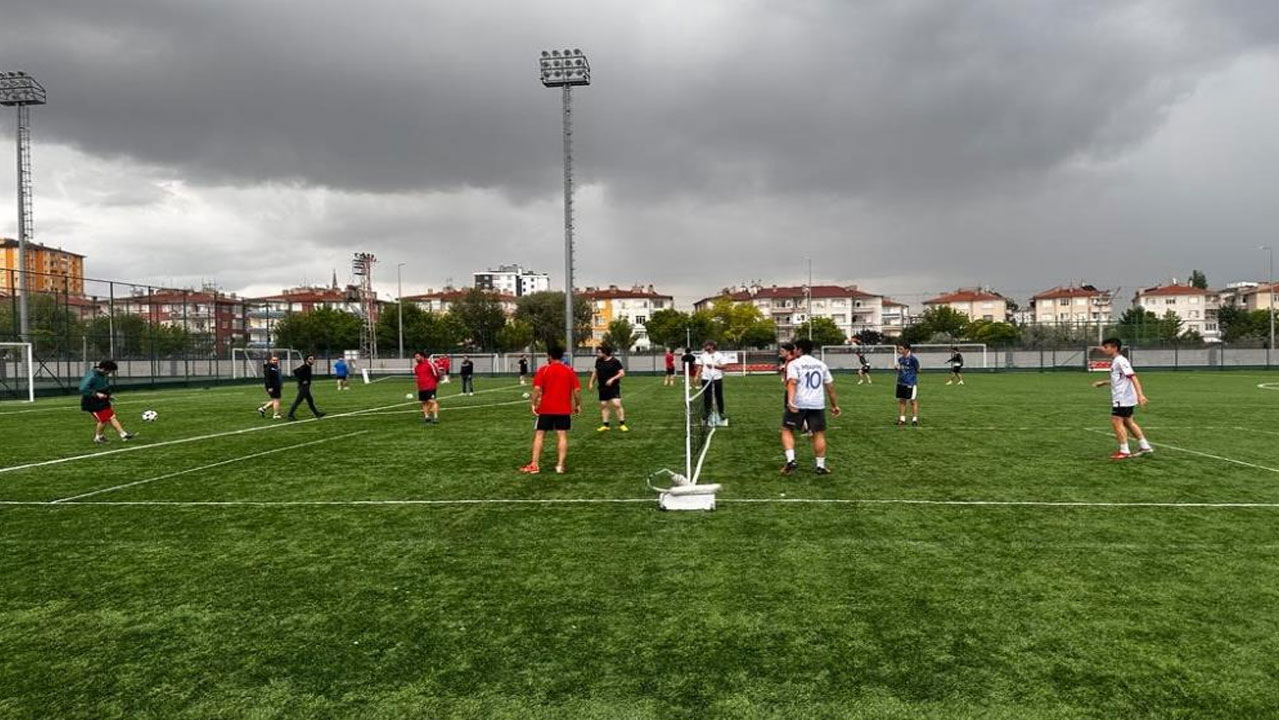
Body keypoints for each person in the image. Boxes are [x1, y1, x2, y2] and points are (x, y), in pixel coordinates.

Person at [780, 338, 841, 475]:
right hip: (817, 403)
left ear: (799, 349)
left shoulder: (794, 364)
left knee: (786, 429)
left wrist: (790, 401)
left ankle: (791, 460)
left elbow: (792, 383)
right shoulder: (821, 364)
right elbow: (830, 387)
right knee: (818, 433)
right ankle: (820, 466)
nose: (794, 350)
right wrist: (835, 405)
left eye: (795, 348)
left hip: (799, 402)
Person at [521, 345, 582, 475]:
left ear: (549, 356)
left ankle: (535, 465)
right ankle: (560, 466)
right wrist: (577, 405)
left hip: (546, 409)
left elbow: (537, 389)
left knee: (539, 435)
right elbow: (576, 391)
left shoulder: (544, 370)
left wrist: (533, 404)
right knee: (562, 435)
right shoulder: (569, 370)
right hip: (564, 410)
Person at [1091, 338, 1153, 460]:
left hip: (1123, 398)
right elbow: (1120, 379)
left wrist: (1141, 395)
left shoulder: (1121, 361)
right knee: (1128, 422)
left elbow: (1133, 377)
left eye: (1106, 347)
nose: (1104, 349)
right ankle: (1145, 446)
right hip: (1125, 397)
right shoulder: (1116, 361)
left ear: (1114, 348)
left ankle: (1124, 451)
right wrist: (1104, 383)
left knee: (1116, 421)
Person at [80, 360, 134, 444]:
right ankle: (98, 437)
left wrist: (109, 396)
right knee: (103, 420)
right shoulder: (92, 375)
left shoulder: (104, 375)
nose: (110, 373)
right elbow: (83, 389)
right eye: (110, 371)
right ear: (105, 369)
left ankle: (123, 434)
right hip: (92, 402)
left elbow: (105, 387)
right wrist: (96, 394)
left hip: (103, 400)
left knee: (112, 416)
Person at [588, 345, 628, 432]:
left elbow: (622, 373)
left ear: (605, 353)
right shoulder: (598, 361)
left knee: (616, 404)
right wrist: (591, 383)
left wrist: (612, 379)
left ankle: (622, 424)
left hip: (613, 387)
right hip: (602, 387)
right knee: (603, 405)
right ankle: (606, 425)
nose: (597, 354)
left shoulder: (615, 361)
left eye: (599, 352)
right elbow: (595, 373)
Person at [695, 340, 728, 421]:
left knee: (719, 396)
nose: (705, 347)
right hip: (705, 378)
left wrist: (714, 366)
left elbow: (725, 366)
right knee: (707, 397)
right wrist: (697, 375)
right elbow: (700, 366)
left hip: (717, 378)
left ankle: (721, 412)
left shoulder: (719, 355)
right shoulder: (703, 356)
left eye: (707, 346)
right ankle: (707, 413)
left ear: (712, 346)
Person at [287, 354, 326, 421]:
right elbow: (295, 372)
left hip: (306, 387)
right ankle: (290, 415)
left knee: (310, 401)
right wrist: (302, 381)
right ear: (306, 360)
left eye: (313, 359)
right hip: (303, 387)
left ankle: (317, 413)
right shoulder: (304, 367)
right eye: (310, 359)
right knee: (298, 401)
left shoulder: (308, 367)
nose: (312, 360)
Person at [895, 342, 920, 426]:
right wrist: (898, 368)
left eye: (901, 349)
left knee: (912, 400)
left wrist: (911, 374)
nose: (899, 350)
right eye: (899, 349)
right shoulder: (900, 359)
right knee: (902, 400)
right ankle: (902, 419)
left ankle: (914, 419)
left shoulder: (913, 359)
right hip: (901, 382)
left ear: (907, 349)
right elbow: (900, 370)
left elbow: (918, 369)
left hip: (910, 383)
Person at [414, 351, 441, 424]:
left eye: (417, 357)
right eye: (415, 357)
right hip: (421, 387)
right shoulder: (416, 367)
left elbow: (436, 374)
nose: (416, 358)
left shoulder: (430, 364)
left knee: (432, 401)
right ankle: (427, 417)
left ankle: (435, 417)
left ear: (422, 356)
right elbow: (417, 377)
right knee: (424, 402)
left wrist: (435, 382)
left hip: (430, 386)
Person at [257, 355, 283, 419]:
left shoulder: (275, 367)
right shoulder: (269, 368)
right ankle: (276, 414)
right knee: (276, 400)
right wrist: (269, 387)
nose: (275, 361)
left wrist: (280, 384)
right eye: (274, 360)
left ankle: (263, 408)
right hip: (272, 387)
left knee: (275, 400)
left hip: (276, 386)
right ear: (270, 360)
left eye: (276, 360)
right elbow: (267, 379)